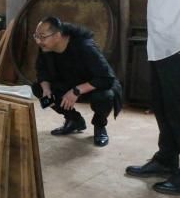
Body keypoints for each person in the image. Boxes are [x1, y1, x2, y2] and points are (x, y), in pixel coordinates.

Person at [115, 0, 180, 194]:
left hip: (177, 46)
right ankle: (166, 159)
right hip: (162, 47)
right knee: (165, 108)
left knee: (179, 110)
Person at [32, 17, 122, 147]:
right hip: (69, 84)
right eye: (36, 36)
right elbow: (42, 71)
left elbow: (106, 78)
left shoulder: (84, 46)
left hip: (93, 87)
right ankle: (74, 120)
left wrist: (76, 91)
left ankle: (100, 126)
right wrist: (46, 89)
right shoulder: (46, 47)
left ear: (57, 35)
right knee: (38, 88)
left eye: (42, 37)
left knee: (105, 96)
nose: (38, 41)